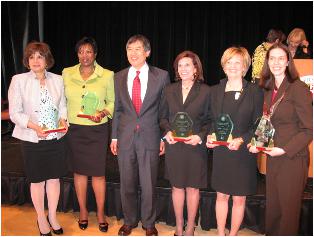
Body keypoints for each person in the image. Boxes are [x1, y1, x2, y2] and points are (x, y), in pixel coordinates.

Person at [248, 43, 312, 235]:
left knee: (287, 212)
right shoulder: (268, 89)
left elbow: (309, 128)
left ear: (288, 62)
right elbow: (267, 122)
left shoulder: (298, 88)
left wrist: (284, 150)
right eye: (272, 58)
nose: (276, 62)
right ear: (267, 62)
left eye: (281, 58)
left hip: (292, 157)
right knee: (274, 208)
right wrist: (257, 143)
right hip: (273, 156)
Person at [110, 34, 170, 236]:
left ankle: (149, 223)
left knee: (148, 184)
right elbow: (117, 109)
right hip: (125, 137)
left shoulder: (161, 76)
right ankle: (129, 221)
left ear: (147, 52)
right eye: (129, 49)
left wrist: (163, 137)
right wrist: (114, 137)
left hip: (150, 137)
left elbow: (164, 110)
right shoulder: (118, 76)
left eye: (137, 49)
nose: (133, 53)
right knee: (126, 182)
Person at [8, 41, 68, 236]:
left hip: (55, 138)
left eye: (40, 56)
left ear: (47, 60)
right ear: (27, 60)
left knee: (53, 179)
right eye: (32, 56)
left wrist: (63, 122)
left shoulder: (58, 80)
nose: (36, 60)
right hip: (32, 138)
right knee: (37, 180)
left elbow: (63, 107)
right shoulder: (18, 80)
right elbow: (14, 113)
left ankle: (52, 216)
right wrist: (34, 126)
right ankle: (41, 218)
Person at [206, 47, 264, 236]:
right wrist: (210, 136)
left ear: (245, 66)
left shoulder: (255, 91)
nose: (233, 66)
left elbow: (258, 124)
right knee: (221, 196)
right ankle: (221, 233)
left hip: (243, 152)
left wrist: (242, 139)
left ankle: (233, 234)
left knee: (239, 199)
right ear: (224, 66)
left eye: (237, 62)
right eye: (229, 62)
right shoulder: (215, 91)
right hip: (222, 152)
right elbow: (210, 120)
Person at [62, 37, 115, 232]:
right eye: (81, 52)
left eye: (88, 51)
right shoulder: (66, 73)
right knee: (79, 173)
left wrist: (102, 113)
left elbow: (112, 102)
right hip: (75, 130)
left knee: (98, 174)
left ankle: (100, 213)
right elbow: (61, 100)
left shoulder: (108, 75)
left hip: (97, 129)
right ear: (77, 54)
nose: (84, 55)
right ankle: (83, 211)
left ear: (95, 54)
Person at [159, 51, 211, 236]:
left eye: (188, 65)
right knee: (177, 186)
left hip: (195, 146)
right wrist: (167, 132)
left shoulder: (206, 91)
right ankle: (179, 225)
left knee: (193, 188)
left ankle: (190, 227)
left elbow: (209, 120)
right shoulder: (169, 90)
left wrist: (200, 136)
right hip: (174, 146)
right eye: (180, 66)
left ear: (196, 68)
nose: (183, 69)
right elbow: (162, 117)